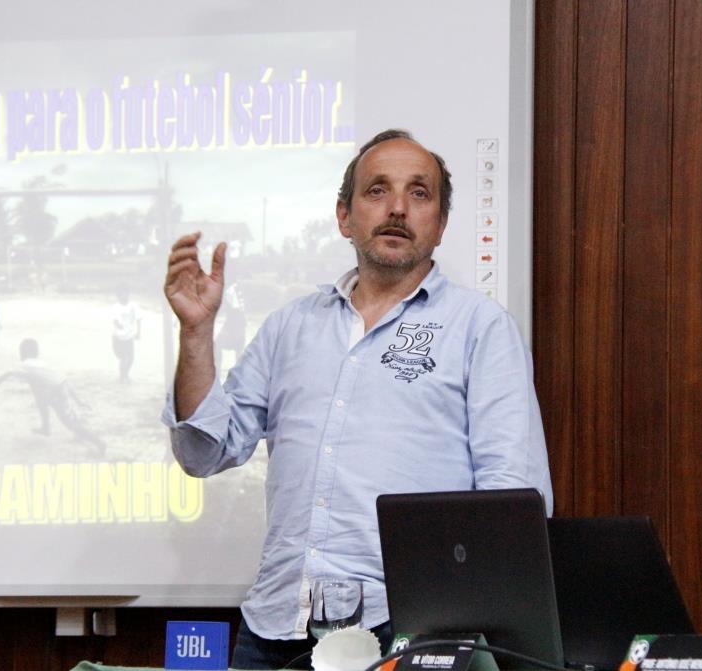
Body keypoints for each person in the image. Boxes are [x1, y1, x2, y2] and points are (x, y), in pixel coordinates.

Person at [161, 129, 552, 669]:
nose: (397, 208)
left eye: (419, 194)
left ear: (440, 224)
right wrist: (196, 336)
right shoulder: (289, 327)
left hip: (412, 631)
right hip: (276, 627)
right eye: (377, 191)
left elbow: (513, 500)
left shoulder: (479, 329)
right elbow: (204, 454)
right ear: (344, 216)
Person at [0, 338, 106, 454]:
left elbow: (5, 376)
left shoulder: (23, 365)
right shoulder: (42, 363)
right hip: (61, 387)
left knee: (70, 423)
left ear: (22, 352)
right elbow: (63, 381)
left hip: (55, 392)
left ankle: (100, 443)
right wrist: (79, 401)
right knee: (39, 394)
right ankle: (46, 428)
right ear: (36, 352)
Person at [111, 285, 142, 382]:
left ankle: (125, 375)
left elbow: (138, 319)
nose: (123, 296)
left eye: (125, 293)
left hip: (129, 336)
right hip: (118, 336)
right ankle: (122, 376)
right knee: (123, 357)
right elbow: (114, 319)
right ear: (118, 295)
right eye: (121, 294)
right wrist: (118, 324)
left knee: (131, 358)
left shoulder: (133, 306)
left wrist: (139, 332)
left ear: (128, 294)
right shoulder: (115, 307)